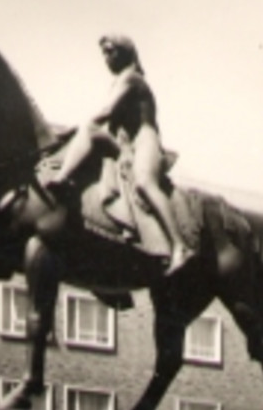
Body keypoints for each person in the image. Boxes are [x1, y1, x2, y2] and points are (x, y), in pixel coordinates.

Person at [48, 33, 189, 275]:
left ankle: (179, 246)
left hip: (144, 140)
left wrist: (73, 127)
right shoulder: (118, 81)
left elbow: (104, 112)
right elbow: (100, 124)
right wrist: (71, 132)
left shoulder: (132, 79)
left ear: (125, 52)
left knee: (144, 182)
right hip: (125, 143)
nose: (106, 58)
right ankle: (64, 176)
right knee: (89, 133)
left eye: (110, 51)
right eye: (103, 53)